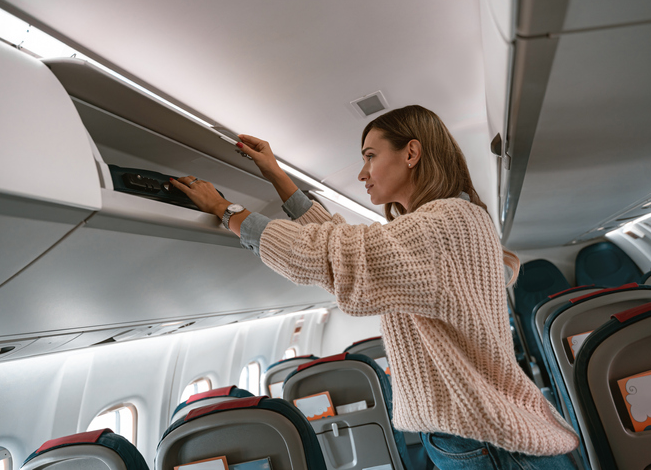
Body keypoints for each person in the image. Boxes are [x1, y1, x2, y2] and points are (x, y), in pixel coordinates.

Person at [170, 105, 579, 469]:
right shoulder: (450, 220)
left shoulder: (443, 223)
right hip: (476, 434)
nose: (363, 173)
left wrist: (228, 211)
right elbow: (347, 246)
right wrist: (278, 178)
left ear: (412, 153)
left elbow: (331, 256)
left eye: (370, 156)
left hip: (484, 442)